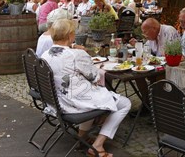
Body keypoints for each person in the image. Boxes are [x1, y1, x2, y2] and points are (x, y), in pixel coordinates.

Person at [42, 19, 131, 157]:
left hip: (57, 102)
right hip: (73, 104)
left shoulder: (45, 55)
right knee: (125, 103)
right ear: (70, 35)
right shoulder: (76, 54)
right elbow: (95, 77)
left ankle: (82, 137)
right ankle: (98, 145)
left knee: (89, 96)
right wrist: (84, 54)